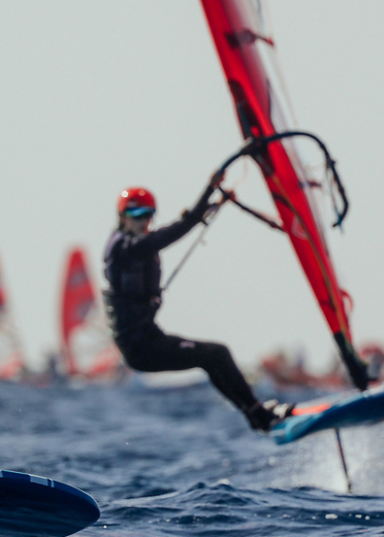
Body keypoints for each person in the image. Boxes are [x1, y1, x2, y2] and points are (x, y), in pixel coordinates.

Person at [103, 185, 292, 432]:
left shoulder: (140, 245)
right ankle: (258, 414)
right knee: (217, 355)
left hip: (150, 339)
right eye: (136, 215)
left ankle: (256, 414)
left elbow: (176, 228)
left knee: (214, 357)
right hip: (140, 348)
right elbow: (173, 231)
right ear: (122, 216)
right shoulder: (124, 247)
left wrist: (215, 204)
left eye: (148, 214)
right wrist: (209, 191)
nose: (143, 221)